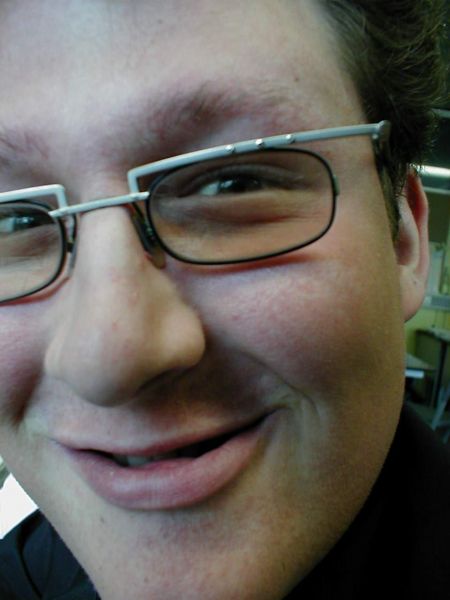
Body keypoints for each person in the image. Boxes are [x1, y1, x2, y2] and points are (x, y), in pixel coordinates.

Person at [0, 1, 448, 598]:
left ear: (403, 240)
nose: (107, 360)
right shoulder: (24, 570)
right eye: (14, 223)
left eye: (231, 183)